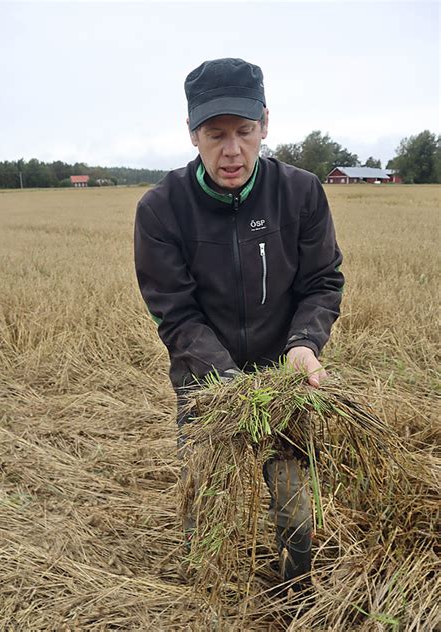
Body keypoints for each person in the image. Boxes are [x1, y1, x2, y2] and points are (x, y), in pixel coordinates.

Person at [134, 58, 344, 593]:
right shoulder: (161, 210)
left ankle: (295, 595)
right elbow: (175, 313)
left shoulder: (300, 194)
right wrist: (228, 382)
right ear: (192, 133)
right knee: (205, 501)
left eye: (245, 132)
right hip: (207, 386)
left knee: (297, 509)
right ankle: (204, 599)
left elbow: (322, 282)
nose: (232, 151)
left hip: (285, 380)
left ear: (265, 125)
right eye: (215, 134)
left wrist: (302, 344)